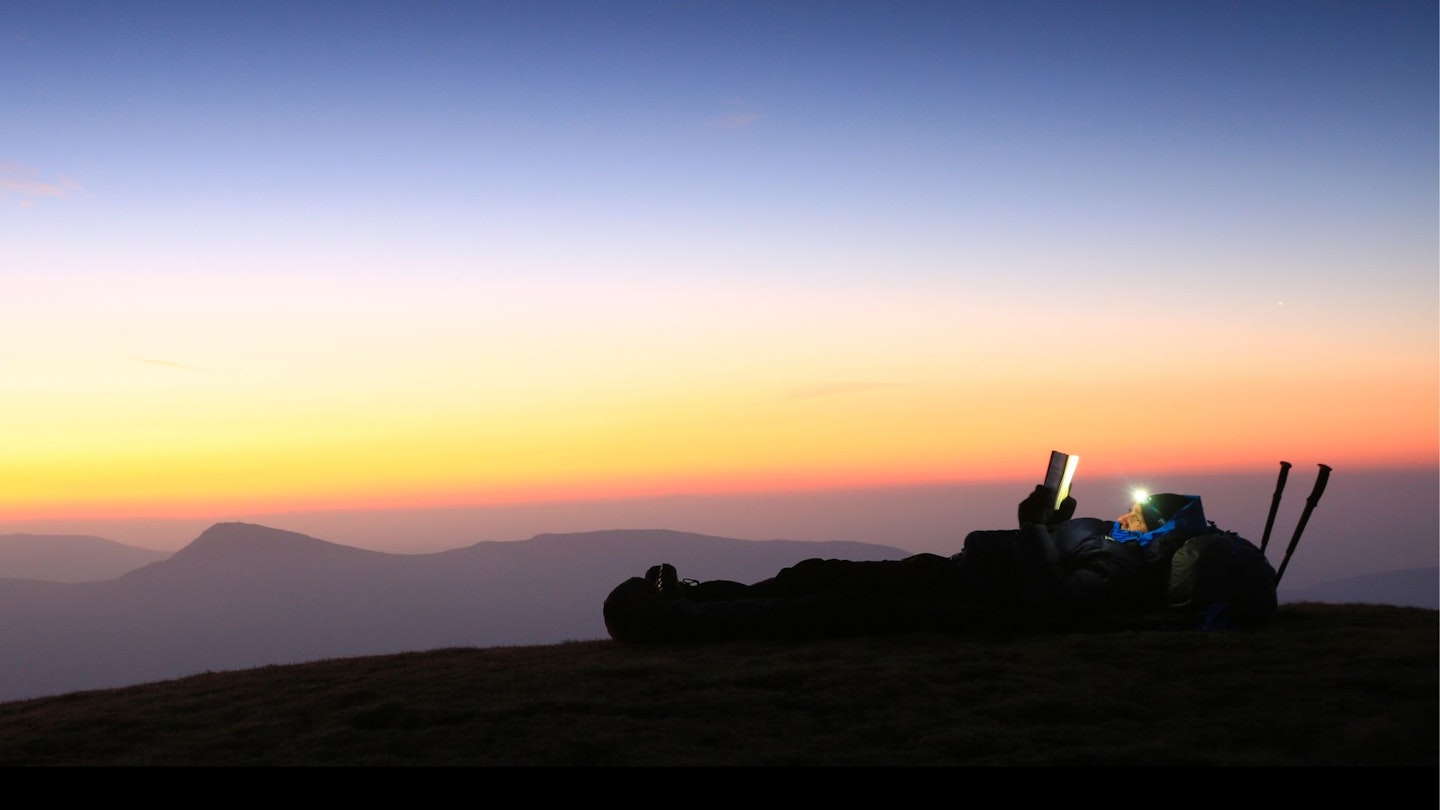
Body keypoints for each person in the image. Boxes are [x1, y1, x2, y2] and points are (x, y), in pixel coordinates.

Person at [602, 484, 1214, 643]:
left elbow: (1050, 602)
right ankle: (696, 597)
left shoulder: (1127, 567)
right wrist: (1053, 523)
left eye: (1140, 514)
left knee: (827, 607)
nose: (1128, 515)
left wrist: (1035, 527)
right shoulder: (1116, 541)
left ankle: (671, 622)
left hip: (969, 606)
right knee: (811, 574)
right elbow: (1049, 565)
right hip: (953, 573)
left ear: (1158, 527)